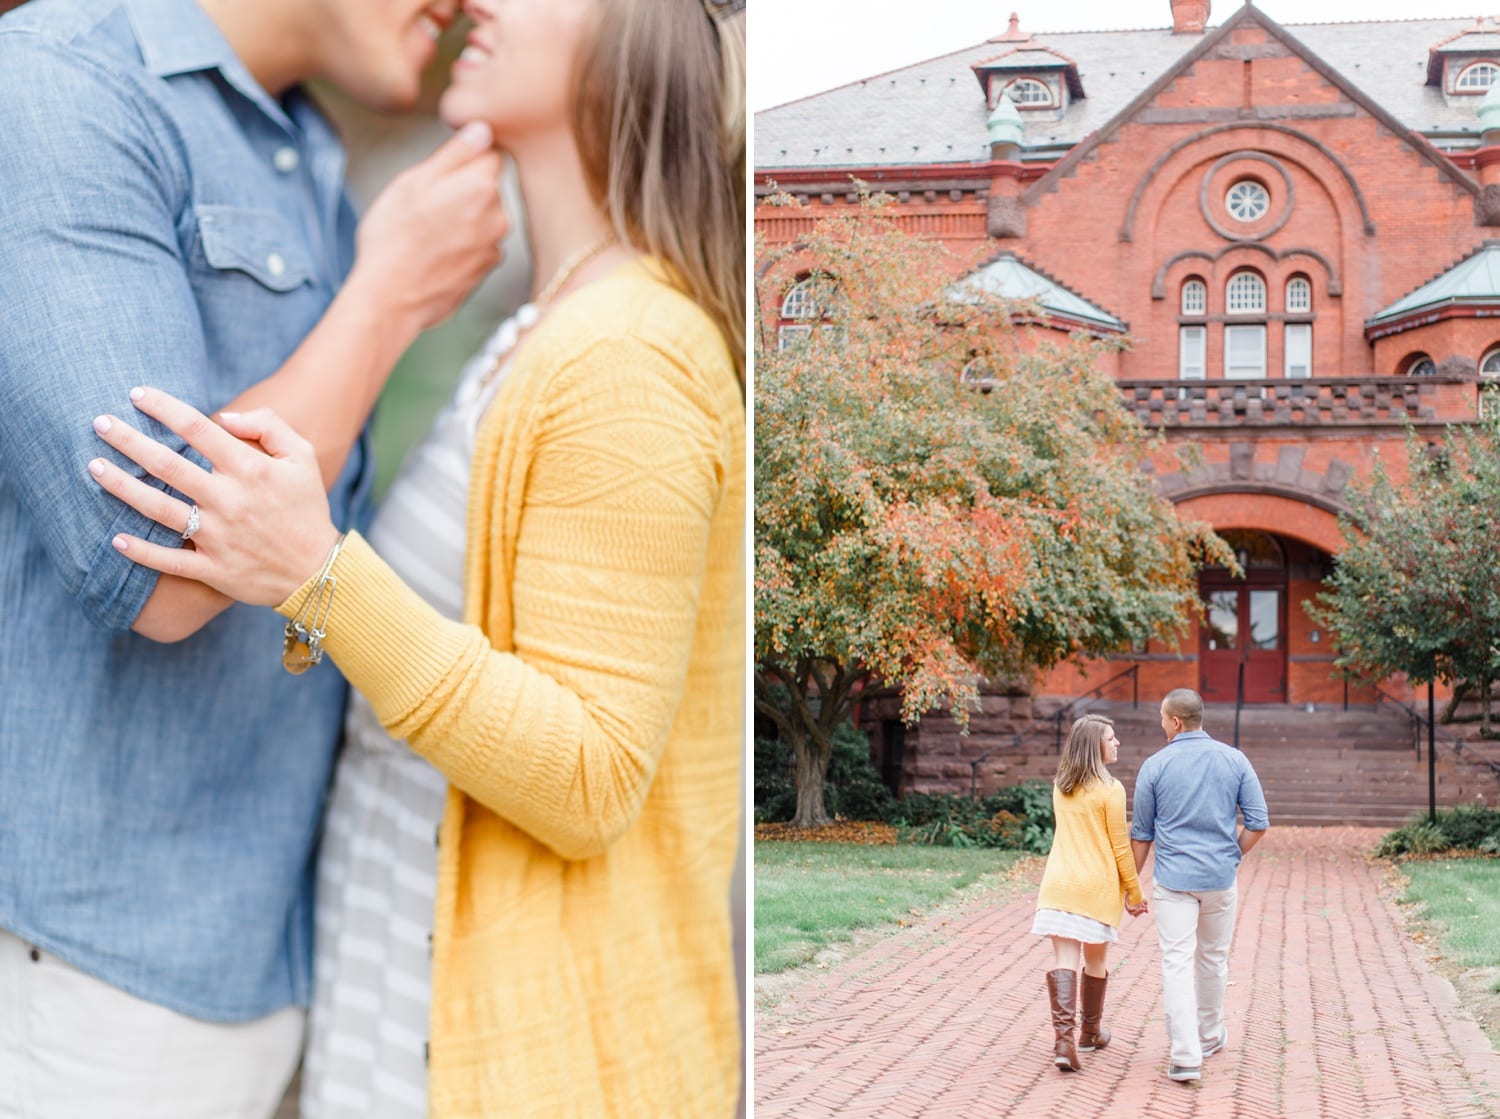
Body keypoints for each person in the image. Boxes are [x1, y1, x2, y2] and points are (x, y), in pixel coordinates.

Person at [88, 0, 747, 1114]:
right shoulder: (542, 325)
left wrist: (319, 576)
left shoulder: (630, 354)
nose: (480, 1)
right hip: (402, 1015)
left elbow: (592, 777)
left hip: (532, 1061)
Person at [0, 0, 510, 1116]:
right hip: (99, 977)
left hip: (273, 962)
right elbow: (154, 574)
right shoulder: (55, 86)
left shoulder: (302, 143)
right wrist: (388, 297)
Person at [1131, 688, 1270, 1084]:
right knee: (1213, 958)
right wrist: (1232, 856)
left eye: (1162, 718)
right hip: (1219, 878)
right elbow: (1258, 823)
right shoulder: (1235, 759)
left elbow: (1141, 835)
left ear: (1175, 722)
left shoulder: (1154, 766)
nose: (1161, 725)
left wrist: (1130, 885)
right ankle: (1209, 1037)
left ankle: (1185, 1054)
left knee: (1176, 961)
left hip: (1174, 881)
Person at [1030, 713, 1146, 1072]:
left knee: (1064, 960)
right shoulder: (1110, 789)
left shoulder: (1061, 786)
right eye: (1110, 738)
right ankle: (1090, 1033)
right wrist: (1135, 893)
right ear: (1094, 744)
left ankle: (1064, 1041)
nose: (1117, 743)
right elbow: (1120, 848)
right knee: (1095, 962)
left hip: (1059, 886)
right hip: (1094, 889)